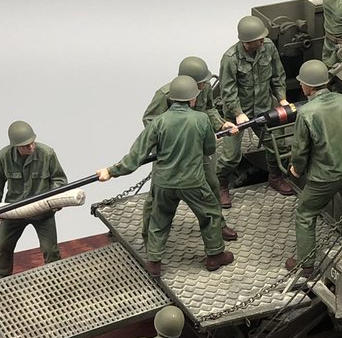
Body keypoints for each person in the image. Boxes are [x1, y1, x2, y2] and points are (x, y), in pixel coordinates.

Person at [98, 75, 234, 277]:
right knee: (210, 214)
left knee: (159, 220)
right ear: (192, 99)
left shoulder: (158, 122)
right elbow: (209, 149)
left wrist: (110, 171)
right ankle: (215, 255)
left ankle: (154, 261)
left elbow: (137, 155)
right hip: (193, 181)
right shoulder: (201, 119)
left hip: (164, 182)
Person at [140, 56, 235, 237]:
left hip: (197, 148)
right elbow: (150, 121)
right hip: (170, 153)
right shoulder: (165, 95)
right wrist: (168, 142)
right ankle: (148, 234)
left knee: (212, 185)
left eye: (205, 82)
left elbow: (209, 109)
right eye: (201, 83)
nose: (204, 85)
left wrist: (221, 124)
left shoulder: (204, 88)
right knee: (156, 195)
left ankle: (217, 225)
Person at [287, 60, 342, 278]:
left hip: (324, 177)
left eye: (302, 83)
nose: (301, 86)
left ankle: (306, 265)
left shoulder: (306, 112)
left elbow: (300, 149)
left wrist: (296, 169)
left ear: (308, 87)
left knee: (305, 214)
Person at [216, 15, 295, 206]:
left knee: (278, 145)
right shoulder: (230, 59)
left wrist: (282, 98)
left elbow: (277, 74)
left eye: (262, 38)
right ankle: (221, 186)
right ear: (246, 42)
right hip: (237, 114)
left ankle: (275, 177)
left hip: (264, 108)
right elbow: (228, 90)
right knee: (231, 156)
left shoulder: (268, 47)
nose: (262, 42)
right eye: (258, 40)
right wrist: (238, 113)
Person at [0, 120, 66, 278]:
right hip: (14, 210)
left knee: (50, 250)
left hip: (42, 211)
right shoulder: (3, 157)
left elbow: (59, 179)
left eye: (32, 142)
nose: (31, 147)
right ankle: (2, 281)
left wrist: (55, 198)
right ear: (16, 146)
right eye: (26, 145)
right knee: (3, 246)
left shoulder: (47, 154)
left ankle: (56, 280)